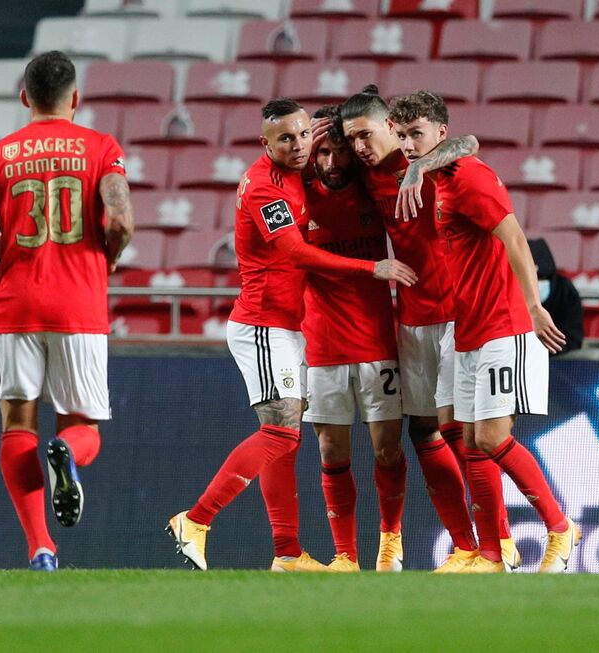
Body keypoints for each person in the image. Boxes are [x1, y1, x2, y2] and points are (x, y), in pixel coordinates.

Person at [167, 98, 416, 572]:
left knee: (287, 440)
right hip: (264, 325)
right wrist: (373, 267)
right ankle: (196, 520)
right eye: (287, 139)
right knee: (281, 434)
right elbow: (296, 253)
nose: (299, 146)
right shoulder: (265, 186)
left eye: (304, 135)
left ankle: (287, 552)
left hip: (287, 327)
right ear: (265, 143)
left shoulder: (297, 174)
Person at [0, 51, 134, 571]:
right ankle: (68, 454)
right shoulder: (101, 147)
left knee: (17, 424)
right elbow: (121, 219)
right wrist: (108, 256)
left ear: (24, 97)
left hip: (16, 305)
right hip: (79, 303)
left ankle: (40, 548)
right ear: (75, 98)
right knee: (83, 427)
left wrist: (5, 244)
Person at [388, 90, 581, 573]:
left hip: (502, 325)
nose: (409, 144)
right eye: (403, 135)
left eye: (417, 134)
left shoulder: (469, 177)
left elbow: (515, 237)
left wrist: (533, 306)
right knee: (466, 438)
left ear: (440, 132)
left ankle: (560, 527)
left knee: (492, 439)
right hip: (467, 328)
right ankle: (492, 554)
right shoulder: (439, 177)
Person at [339, 86, 503, 572]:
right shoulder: (366, 173)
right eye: (352, 140)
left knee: (465, 433)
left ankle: (499, 541)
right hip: (412, 317)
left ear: (391, 127)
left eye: (366, 135)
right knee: (423, 432)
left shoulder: (429, 158)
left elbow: (468, 142)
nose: (360, 147)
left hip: (458, 310)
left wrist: (418, 167)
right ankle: (465, 546)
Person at [301, 106, 415, 571]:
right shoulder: (297, 195)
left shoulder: (372, 187)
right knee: (331, 452)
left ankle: (390, 540)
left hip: (375, 340)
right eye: (322, 152)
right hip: (322, 342)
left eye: (340, 151)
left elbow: (436, 151)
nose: (331, 163)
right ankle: (345, 555)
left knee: (387, 450)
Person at [528, 238, 584, 355]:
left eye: (542, 277)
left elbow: (574, 336)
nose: (537, 284)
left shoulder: (564, 290)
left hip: (560, 362)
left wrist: (547, 349)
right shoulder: (509, 292)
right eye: (532, 278)